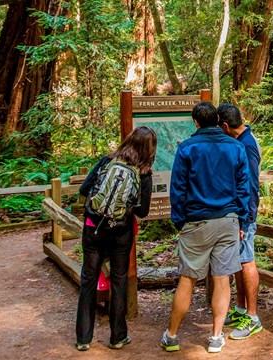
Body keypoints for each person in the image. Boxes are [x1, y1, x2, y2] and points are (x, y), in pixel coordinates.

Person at [160, 101, 251, 353]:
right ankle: (215, 336)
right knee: (222, 279)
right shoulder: (235, 147)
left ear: (196, 122)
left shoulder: (187, 148)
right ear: (217, 121)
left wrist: (179, 220)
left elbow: (178, 188)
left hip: (197, 220)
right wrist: (241, 219)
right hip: (228, 219)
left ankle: (172, 335)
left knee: (187, 280)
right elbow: (244, 187)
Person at [75, 126, 157, 351]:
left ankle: (83, 338)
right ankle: (117, 336)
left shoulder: (106, 161)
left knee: (88, 278)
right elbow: (143, 212)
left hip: (93, 228)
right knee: (119, 281)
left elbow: (84, 189)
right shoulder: (144, 172)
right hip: (121, 233)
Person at [217, 103, 263, 340]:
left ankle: (253, 318)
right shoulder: (241, 141)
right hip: (239, 214)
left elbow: (252, 185)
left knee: (247, 262)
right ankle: (241, 309)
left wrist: (246, 222)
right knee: (239, 261)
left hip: (245, 216)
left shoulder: (246, 146)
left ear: (225, 126)